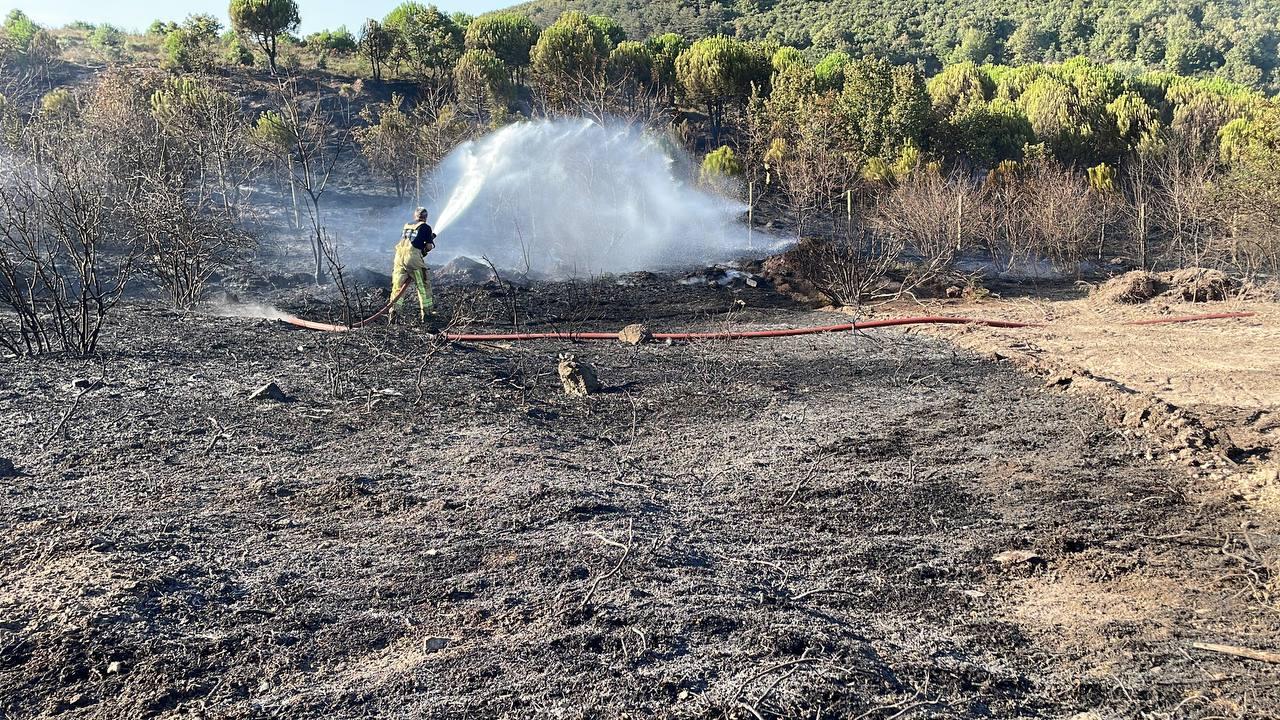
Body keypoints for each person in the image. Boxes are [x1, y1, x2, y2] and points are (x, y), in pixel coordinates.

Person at [390, 207, 436, 322]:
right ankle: (427, 315)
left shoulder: (407, 225)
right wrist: (425, 249)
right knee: (423, 286)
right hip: (412, 258)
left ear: (415, 216)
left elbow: (412, 239)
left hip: (399, 258)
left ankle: (394, 313)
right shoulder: (426, 227)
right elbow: (429, 246)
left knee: (398, 287)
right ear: (426, 217)